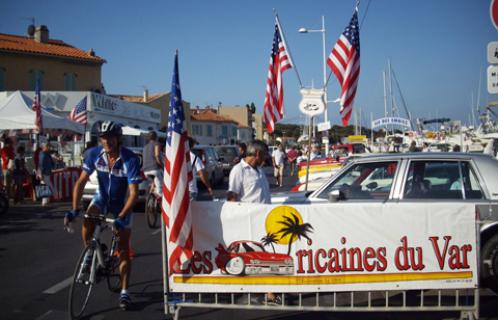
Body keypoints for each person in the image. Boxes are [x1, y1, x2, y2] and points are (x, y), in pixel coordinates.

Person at [64, 121, 141, 310]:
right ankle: (90, 252)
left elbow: (133, 194)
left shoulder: (130, 159)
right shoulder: (93, 154)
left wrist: (122, 216)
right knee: (89, 218)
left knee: (123, 249)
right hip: (102, 197)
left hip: (122, 203)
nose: (107, 141)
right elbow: (81, 182)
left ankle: (124, 292)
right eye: (103, 137)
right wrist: (74, 209)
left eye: (110, 137)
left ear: (118, 138)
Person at [227, 140, 279, 305]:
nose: (265, 159)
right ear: (257, 154)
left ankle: (269, 291)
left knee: (267, 256)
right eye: (263, 155)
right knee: (253, 257)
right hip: (247, 221)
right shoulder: (238, 170)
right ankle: (256, 290)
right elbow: (232, 197)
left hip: (265, 221)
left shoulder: (260, 171)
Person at [142, 131, 163, 197]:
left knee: (153, 185)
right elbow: (157, 156)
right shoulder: (157, 144)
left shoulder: (145, 147)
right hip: (154, 169)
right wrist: (162, 165)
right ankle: (160, 202)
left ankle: (150, 198)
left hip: (145, 171)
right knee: (160, 187)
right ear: (156, 137)